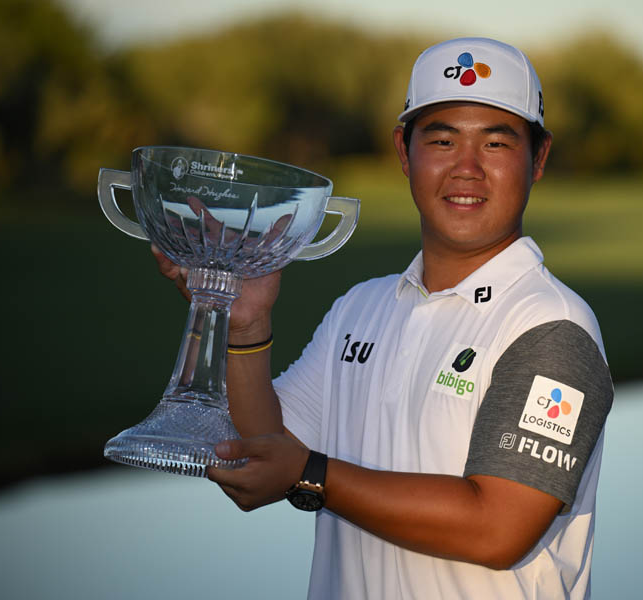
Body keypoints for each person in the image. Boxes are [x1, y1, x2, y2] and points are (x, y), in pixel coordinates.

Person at [154, 37, 613, 599]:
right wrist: (244, 325)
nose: (466, 169)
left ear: (537, 159)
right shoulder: (361, 308)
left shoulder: (551, 326)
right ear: (404, 152)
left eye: (496, 143)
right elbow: (264, 450)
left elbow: (498, 528)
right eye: (442, 140)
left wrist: (313, 474)